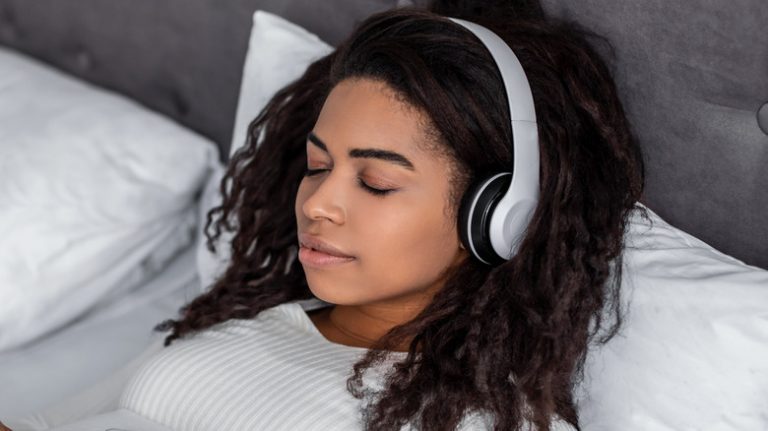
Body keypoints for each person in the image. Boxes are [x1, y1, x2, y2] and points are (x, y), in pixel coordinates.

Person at [2, 1, 647, 430]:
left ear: (499, 213)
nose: (316, 204)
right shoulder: (247, 318)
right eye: (316, 166)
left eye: (377, 182)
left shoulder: (480, 419)